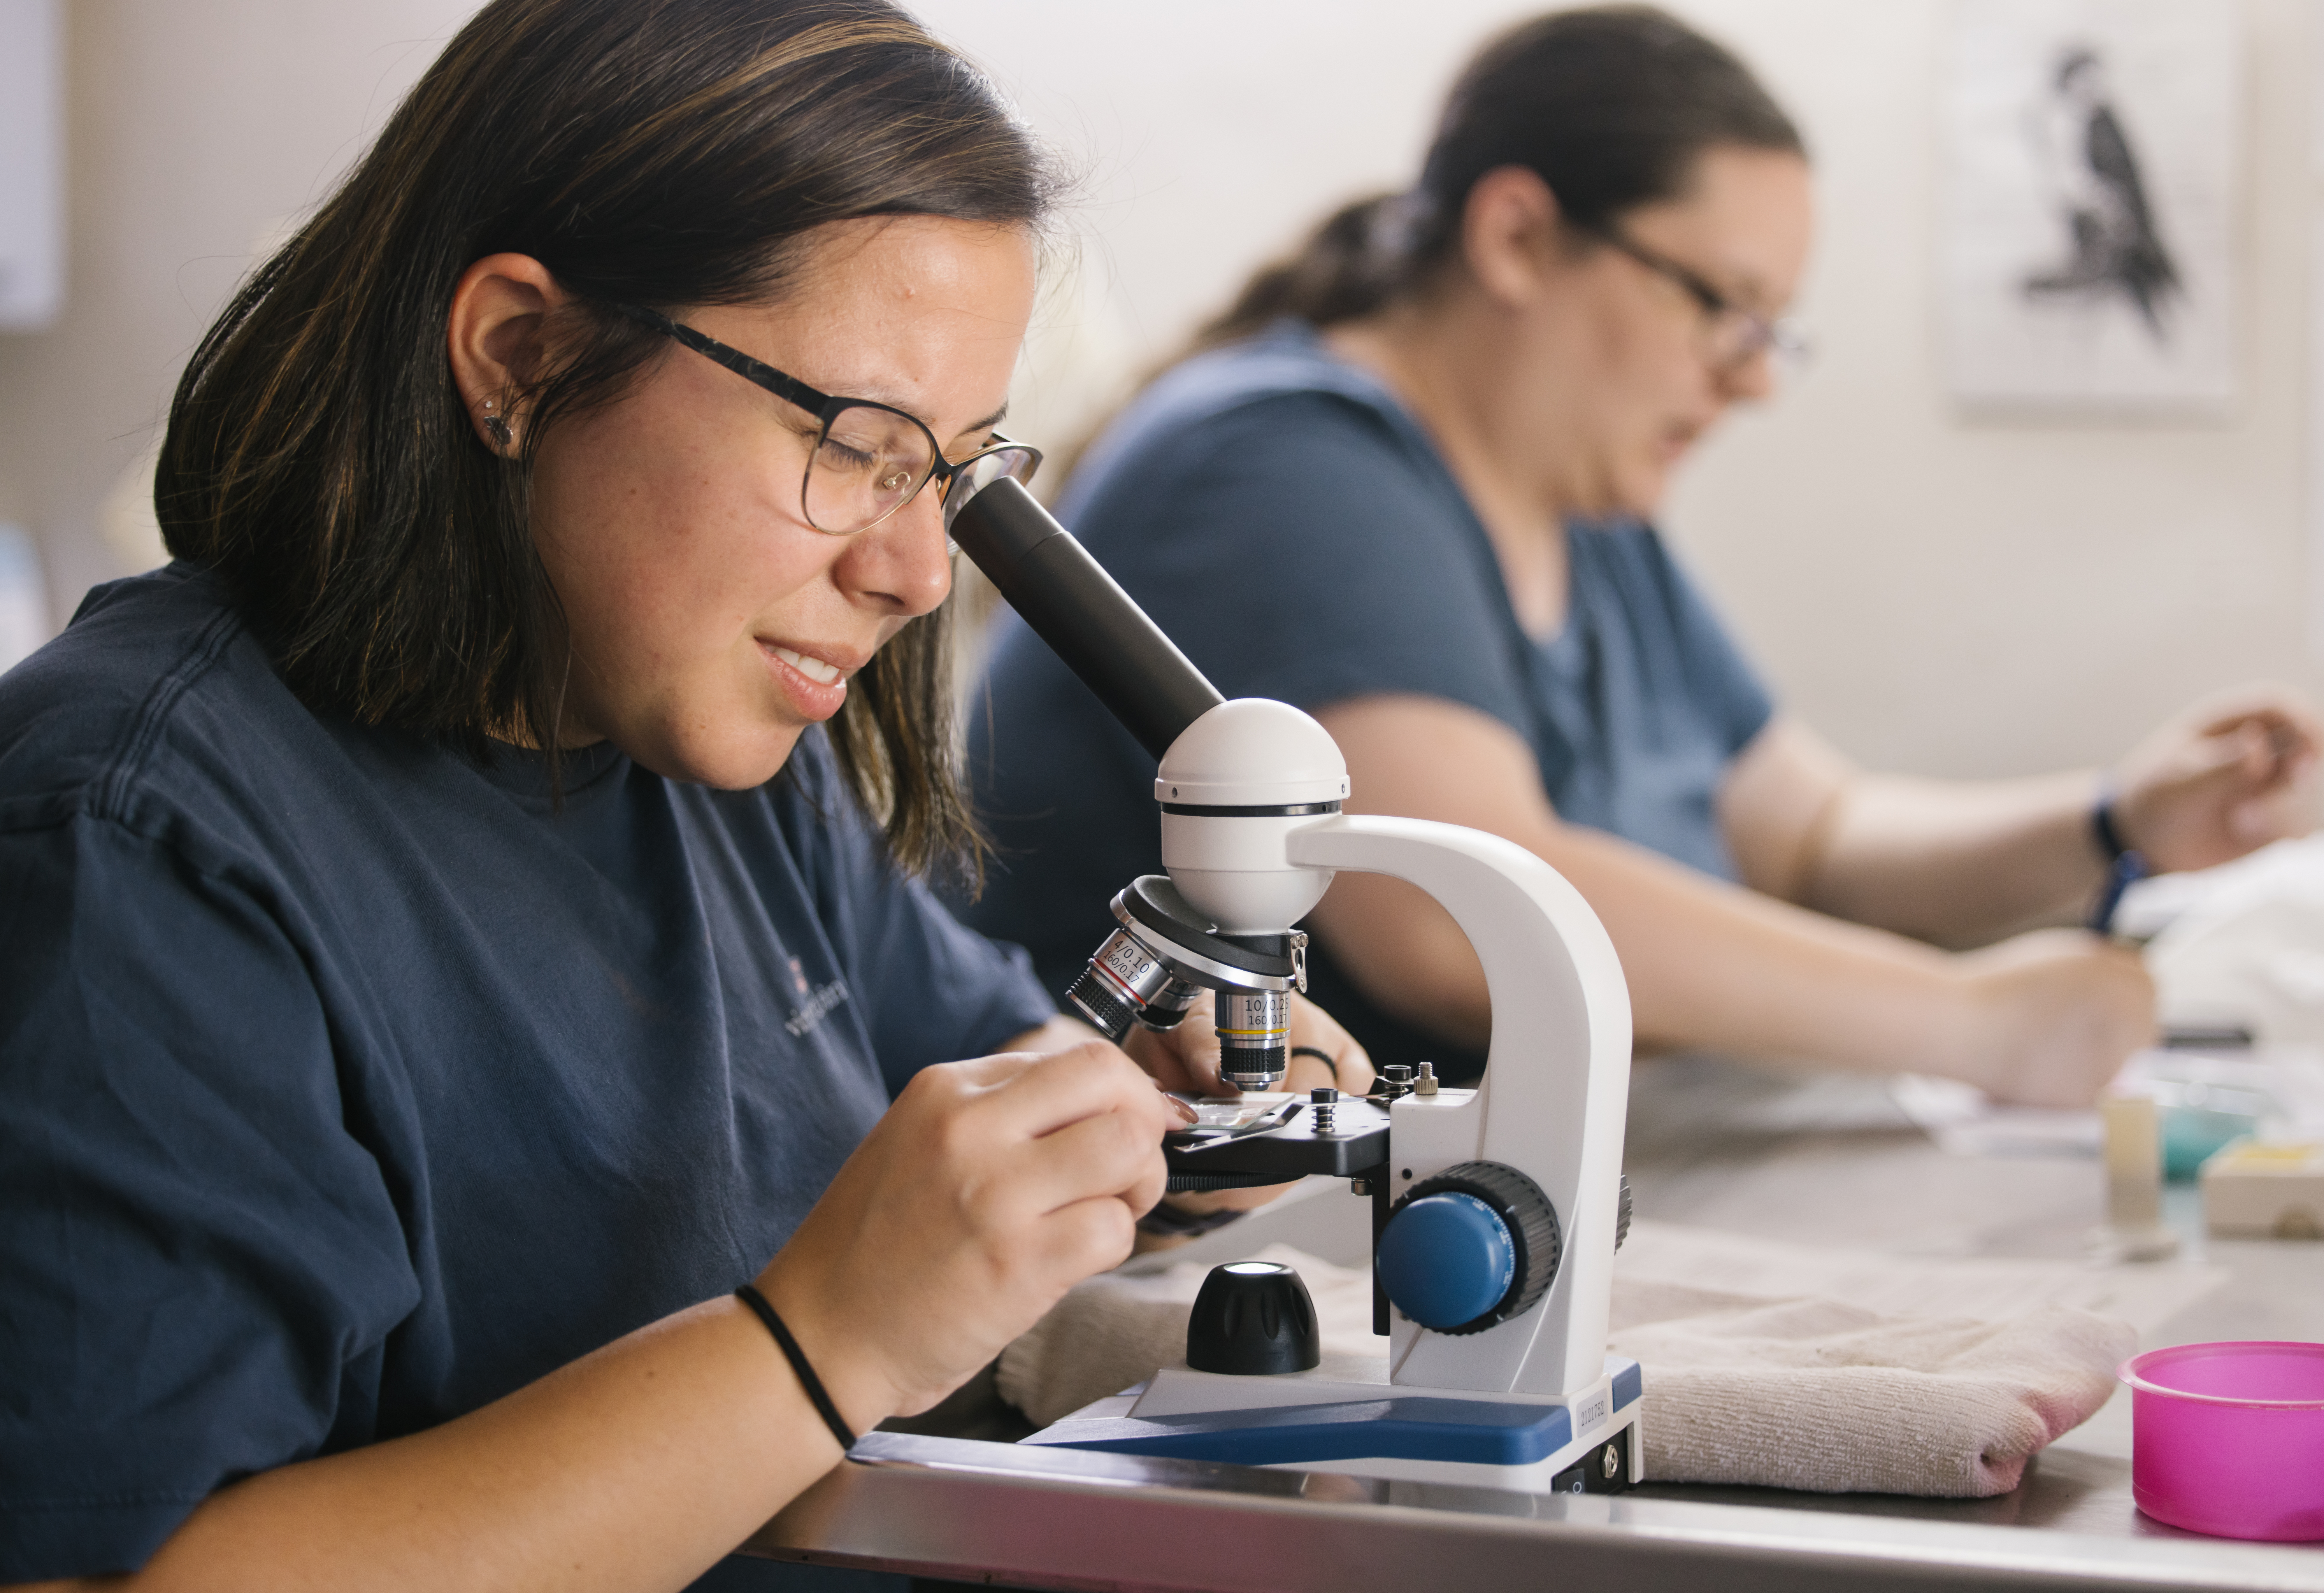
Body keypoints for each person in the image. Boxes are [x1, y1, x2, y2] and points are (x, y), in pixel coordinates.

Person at [0, 4, 1365, 1590]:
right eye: (857, 444)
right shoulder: (139, 844)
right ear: (522, 355)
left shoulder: (701, 740)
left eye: (958, 472)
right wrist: (816, 1343)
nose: (918, 572)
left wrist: (1162, 1125)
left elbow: (988, 1103)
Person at [961, 5, 2324, 1109]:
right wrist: (1975, 1024)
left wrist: (2109, 820)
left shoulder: (1584, 514)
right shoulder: (1280, 468)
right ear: (1515, 238)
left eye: (1769, 329)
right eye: (1723, 308)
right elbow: (1456, 923)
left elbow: (1810, 835)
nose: (1749, 380)